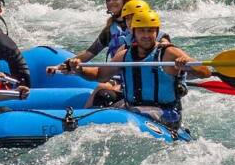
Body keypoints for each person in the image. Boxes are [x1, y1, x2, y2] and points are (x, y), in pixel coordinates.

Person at [81, 11, 212, 131]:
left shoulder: (169, 53)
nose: (146, 35)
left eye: (150, 31)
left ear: (157, 32)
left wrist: (188, 64)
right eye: (141, 31)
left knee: (135, 112)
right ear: (134, 32)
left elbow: (205, 72)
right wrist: (79, 69)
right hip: (132, 107)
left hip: (166, 113)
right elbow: (99, 74)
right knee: (102, 96)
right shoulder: (124, 55)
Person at [65, 0, 137, 66]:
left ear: (127, 1)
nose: (111, 2)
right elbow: (90, 53)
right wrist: (64, 65)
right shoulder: (110, 29)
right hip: (119, 74)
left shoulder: (143, 23)